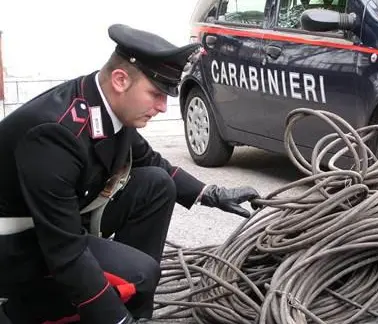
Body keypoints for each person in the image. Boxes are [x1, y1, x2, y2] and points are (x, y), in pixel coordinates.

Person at [0, 24, 261, 324]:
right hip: (15, 246)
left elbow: (152, 162)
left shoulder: (107, 105)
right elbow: (64, 250)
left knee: (156, 184)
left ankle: (135, 311)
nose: (163, 107)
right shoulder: (54, 135)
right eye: (155, 94)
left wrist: (210, 194)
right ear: (121, 80)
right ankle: (17, 313)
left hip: (56, 222)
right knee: (140, 273)